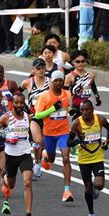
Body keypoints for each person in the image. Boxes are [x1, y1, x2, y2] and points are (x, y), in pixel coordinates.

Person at [0, 94, 36, 216]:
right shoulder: (6, 118)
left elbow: (32, 133)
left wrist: (35, 142)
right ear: (12, 104)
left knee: (27, 182)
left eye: (22, 103)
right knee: (11, 184)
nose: (20, 105)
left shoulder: (28, 117)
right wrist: (6, 140)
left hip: (25, 154)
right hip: (10, 155)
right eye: (17, 103)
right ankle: (4, 178)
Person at [68, 100, 109, 216]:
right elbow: (68, 142)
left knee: (99, 185)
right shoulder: (77, 123)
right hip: (84, 160)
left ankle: (95, 186)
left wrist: (107, 142)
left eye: (87, 110)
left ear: (92, 109)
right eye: (82, 110)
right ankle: (91, 213)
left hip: (97, 157)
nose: (84, 112)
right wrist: (77, 141)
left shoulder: (100, 119)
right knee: (87, 189)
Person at [35, 70, 73, 202]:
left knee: (66, 158)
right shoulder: (45, 97)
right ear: (51, 82)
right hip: (49, 133)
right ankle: (45, 156)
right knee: (51, 158)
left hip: (64, 132)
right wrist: (52, 109)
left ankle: (67, 190)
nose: (58, 83)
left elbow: (70, 109)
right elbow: (37, 115)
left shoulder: (67, 94)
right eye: (56, 80)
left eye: (60, 81)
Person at [20, 58, 50, 178]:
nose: (41, 70)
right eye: (38, 68)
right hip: (35, 116)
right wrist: (25, 110)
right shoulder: (27, 83)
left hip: (48, 116)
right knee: (38, 141)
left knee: (45, 145)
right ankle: (37, 162)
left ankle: (37, 162)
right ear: (33, 70)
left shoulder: (50, 82)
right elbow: (17, 95)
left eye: (43, 67)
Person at [65, 50, 101, 119]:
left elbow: (92, 85)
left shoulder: (91, 74)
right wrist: (67, 106)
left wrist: (97, 96)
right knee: (77, 122)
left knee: (87, 123)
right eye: (78, 62)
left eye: (83, 61)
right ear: (73, 62)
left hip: (88, 104)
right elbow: (64, 92)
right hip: (76, 104)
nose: (80, 64)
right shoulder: (69, 77)